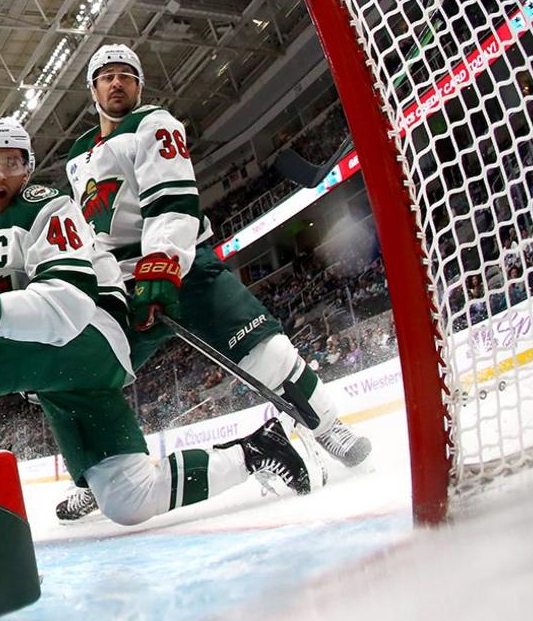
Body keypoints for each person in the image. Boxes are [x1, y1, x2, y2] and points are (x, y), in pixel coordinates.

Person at [0, 116, 311, 528]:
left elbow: (68, 306)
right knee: (128, 498)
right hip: (59, 378)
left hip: (90, 340)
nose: (2, 174)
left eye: (13, 163)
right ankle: (256, 451)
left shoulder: (48, 206)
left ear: (29, 169)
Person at [57, 44, 370, 520]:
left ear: (139, 86)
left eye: (126, 76)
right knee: (83, 378)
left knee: (268, 350)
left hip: (180, 266)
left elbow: (173, 202)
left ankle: (327, 427)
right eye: (107, 76)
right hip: (118, 282)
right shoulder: (78, 158)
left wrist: (160, 266)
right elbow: (88, 230)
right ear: (93, 89)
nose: (116, 83)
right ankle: (96, 476)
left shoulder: (154, 124)